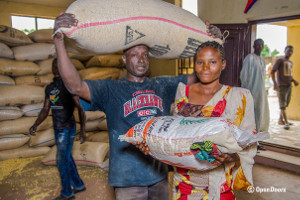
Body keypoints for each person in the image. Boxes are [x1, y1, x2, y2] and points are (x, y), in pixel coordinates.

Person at [53, 13, 222, 200]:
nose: (141, 59)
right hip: (127, 180)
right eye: (134, 55)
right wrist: (59, 42)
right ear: (124, 59)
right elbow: (74, 86)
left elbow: (201, 76)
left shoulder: (163, 85)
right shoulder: (110, 89)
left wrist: (215, 44)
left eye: (144, 55)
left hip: (159, 175)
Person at [138, 41, 257, 199]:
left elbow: (249, 140)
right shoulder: (183, 92)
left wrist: (233, 157)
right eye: (200, 62)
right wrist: (152, 146)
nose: (205, 67)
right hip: (184, 184)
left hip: (219, 185)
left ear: (223, 64)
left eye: (212, 62)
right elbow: (173, 134)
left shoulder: (239, 97)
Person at [29, 58, 86, 200]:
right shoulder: (50, 88)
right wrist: (36, 124)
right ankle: (78, 185)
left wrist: (83, 130)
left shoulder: (69, 87)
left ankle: (67, 193)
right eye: (53, 65)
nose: (55, 68)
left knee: (61, 160)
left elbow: (80, 108)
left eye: (58, 65)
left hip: (67, 128)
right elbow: (45, 109)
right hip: (57, 128)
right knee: (67, 157)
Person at [240, 38, 270, 150]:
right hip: (251, 92)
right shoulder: (250, 58)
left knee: (259, 117)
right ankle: (251, 143)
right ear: (254, 46)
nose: (259, 47)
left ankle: (256, 142)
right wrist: (246, 92)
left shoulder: (262, 60)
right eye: (257, 45)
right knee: (251, 118)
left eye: (261, 45)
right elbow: (244, 76)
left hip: (261, 93)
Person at [271, 45, 299, 130]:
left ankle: (281, 119)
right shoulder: (280, 60)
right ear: (285, 51)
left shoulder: (290, 62)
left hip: (288, 85)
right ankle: (286, 122)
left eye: (291, 51)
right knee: (282, 104)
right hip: (282, 86)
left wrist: (293, 80)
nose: (290, 53)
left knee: (286, 103)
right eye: (288, 51)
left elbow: (289, 75)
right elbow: (273, 71)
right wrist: (275, 84)